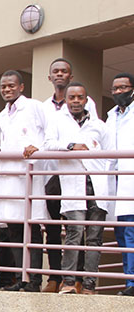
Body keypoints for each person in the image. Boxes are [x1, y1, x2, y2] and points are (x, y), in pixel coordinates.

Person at [41, 82, 109, 295]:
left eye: (80, 97)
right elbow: (48, 145)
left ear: (86, 99)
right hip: (72, 185)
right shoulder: (58, 121)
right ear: (67, 100)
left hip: (97, 185)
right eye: (72, 98)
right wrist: (71, 146)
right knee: (74, 232)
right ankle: (68, 282)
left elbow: (109, 154)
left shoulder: (99, 125)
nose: (76, 101)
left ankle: (89, 285)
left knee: (95, 238)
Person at [0, 70, 48, 292]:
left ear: (21, 87)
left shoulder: (34, 107)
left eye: (11, 86)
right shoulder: (2, 116)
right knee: (13, 230)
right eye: (3, 86)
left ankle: (34, 281)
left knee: (30, 230)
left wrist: (38, 147)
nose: (7, 90)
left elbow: (49, 134)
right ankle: (21, 279)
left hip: (29, 176)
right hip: (9, 176)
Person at [105, 72, 134, 296]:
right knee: (123, 235)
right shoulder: (111, 116)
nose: (118, 92)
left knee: (131, 234)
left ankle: (132, 283)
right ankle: (128, 281)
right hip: (117, 183)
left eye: (123, 88)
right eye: (115, 89)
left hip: (131, 180)